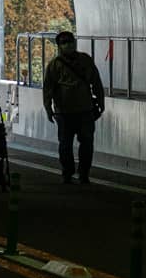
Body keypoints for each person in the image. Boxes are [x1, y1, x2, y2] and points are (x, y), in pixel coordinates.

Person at [42, 31, 105, 184]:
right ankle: (67, 172)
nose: (68, 44)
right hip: (64, 112)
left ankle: (84, 173)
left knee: (87, 143)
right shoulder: (55, 65)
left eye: (70, 41)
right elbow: (48, 88)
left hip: (85, 109)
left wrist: (100, 102)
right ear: (59, 46)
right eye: (64, 42)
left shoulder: (85, 60)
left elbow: (96, 82)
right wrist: (48, 108)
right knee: (65, 145)